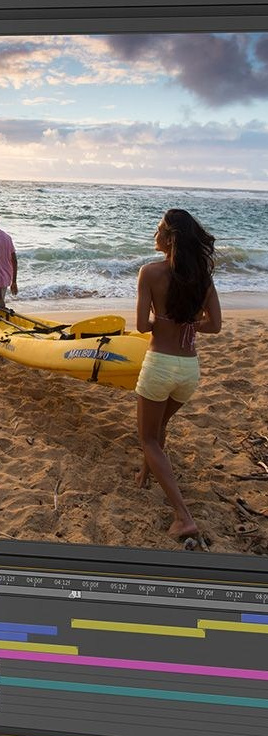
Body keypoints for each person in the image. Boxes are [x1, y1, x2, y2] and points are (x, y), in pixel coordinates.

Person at [134, 208, 222, 540]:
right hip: (189, 371)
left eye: (158, 229)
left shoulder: (149, 273)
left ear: (169, 238)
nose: (154, 233)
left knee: (148, 437)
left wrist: (164, 323)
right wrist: (189, 323)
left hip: (159, 365)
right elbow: (214, 325)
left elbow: (143, 326)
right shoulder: (202, 277)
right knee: (158, 428)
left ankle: (183, 516)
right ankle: (145, 472)